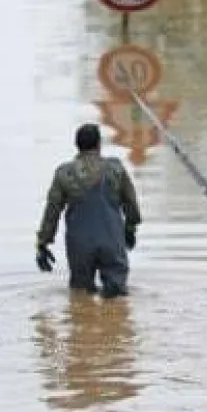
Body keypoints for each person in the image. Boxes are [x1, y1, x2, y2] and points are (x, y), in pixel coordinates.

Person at [35, 123, 142, 298]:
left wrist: (43, 244)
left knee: (80, 296)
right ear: (99, 145)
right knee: (116, 297)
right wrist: (130, 229)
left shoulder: (64, 173)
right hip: (112, 241)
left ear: (77, 145)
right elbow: (131, 203)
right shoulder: (116, 169)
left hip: (80, 246)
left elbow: (51, 213)